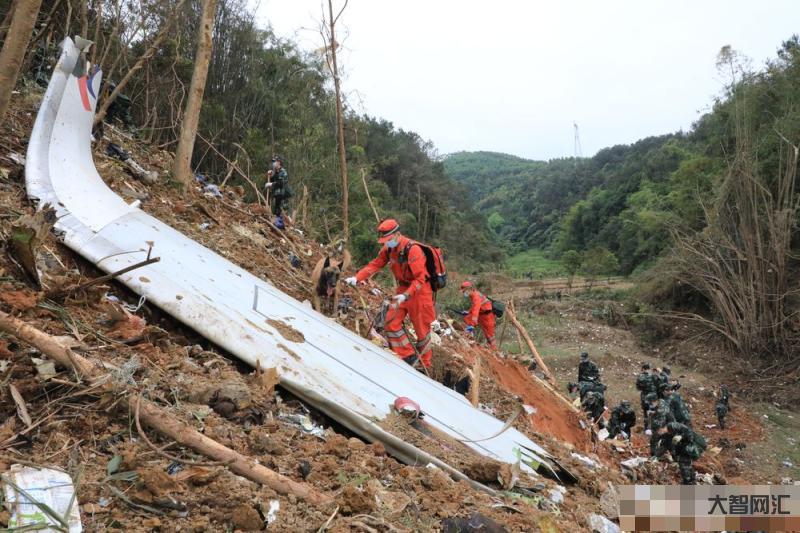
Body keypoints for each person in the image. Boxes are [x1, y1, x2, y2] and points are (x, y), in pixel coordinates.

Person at [345, 219, 436, 368]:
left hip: (419, 291)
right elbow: (375, 264)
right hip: (402, 289)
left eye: (388, 240)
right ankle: (407, 357)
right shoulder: (388, 249)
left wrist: (407, 295)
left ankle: (424, 364)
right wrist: (357, 277)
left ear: (397, 234)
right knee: (390, 322)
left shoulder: (413, 250)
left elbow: (420, 278)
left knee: (422, 330)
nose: (386, 243)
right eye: (384, 241)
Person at [460, 281, 496, 349]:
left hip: (487, 316)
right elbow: (475, 307)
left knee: (490, 334)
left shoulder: (476, 296)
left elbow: (476, 309)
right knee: (467, 318)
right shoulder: (473, 295)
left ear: (469, 289)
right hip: (482, 315)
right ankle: (469, 337)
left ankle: (494, 349)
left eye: (464, 291)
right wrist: (468, 312)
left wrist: (472, 324)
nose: (464, 293)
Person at [646, 392, 675, 458]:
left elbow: (658, 424)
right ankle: (654, 456)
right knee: (654, 440)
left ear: (655, 400)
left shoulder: (661, 410)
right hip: (665, 425)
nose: (650, 404)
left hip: (668, 427)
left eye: (650, 403)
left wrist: (650, 430)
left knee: (668, 443)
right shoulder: (661, 401)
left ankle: (675, 458)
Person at [636, 363, 657, 428]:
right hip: (653, 397)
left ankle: (647, 428)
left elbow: (638, 387)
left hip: (644, 397)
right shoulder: (654, 376)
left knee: (646, 412)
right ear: (649, 369)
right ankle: (653, 428)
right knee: (653, 412)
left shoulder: (640, 376)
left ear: (643, 369)